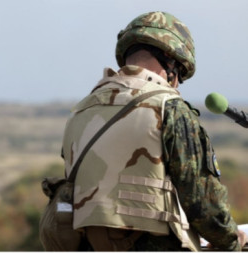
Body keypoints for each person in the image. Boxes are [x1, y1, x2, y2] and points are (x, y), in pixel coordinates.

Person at [61, 11, 246, 251]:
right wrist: (233, 242)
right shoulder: (171, 108)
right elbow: (203, 205)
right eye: (179, 74)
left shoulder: (81, 111)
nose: (177, 84)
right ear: (170, 61)